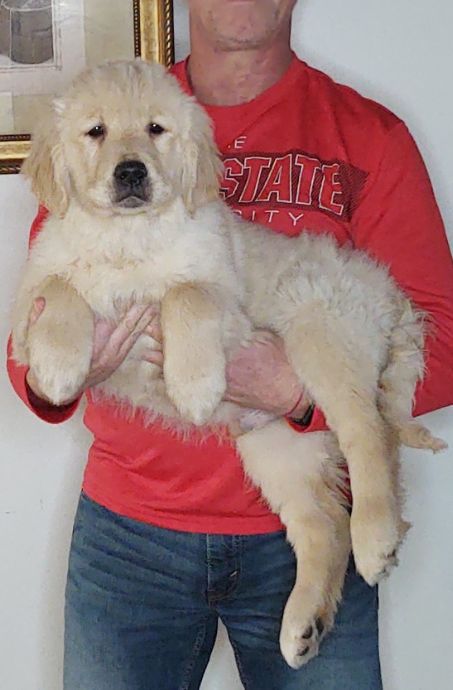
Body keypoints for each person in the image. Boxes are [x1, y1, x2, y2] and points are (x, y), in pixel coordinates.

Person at [7, 1, 453, 688]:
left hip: (288, 523)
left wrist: (298, 393)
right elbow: (33, 343)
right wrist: (52, 375)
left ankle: (327, 553)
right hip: (128, 538)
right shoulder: (115, 107)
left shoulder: (371, 136)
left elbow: (441, 341)